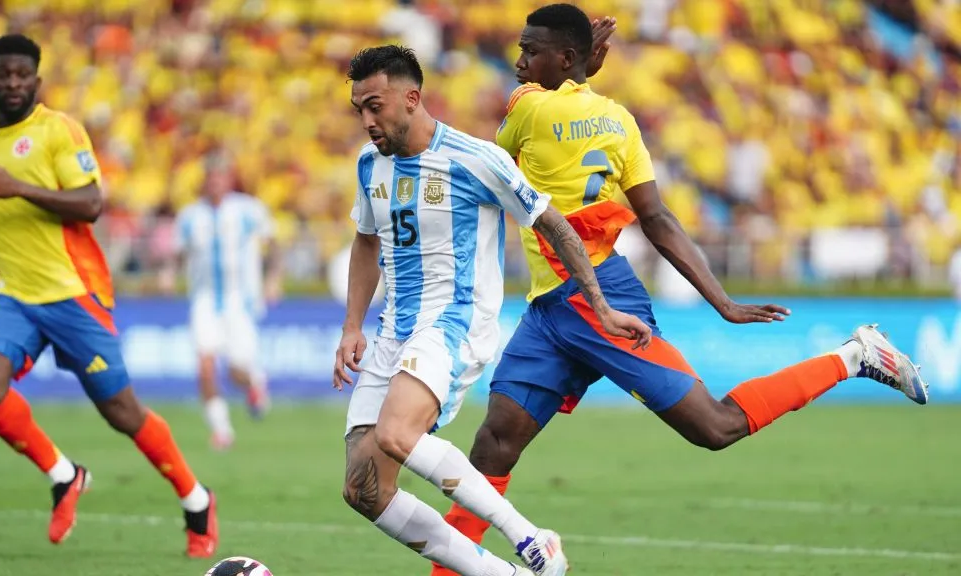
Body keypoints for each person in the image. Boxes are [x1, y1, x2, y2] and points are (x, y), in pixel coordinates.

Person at [431, 6, 930, 575]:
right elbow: (657, 216)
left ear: (566, 58)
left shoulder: (525, 105)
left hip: (597, 303)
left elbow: (525, 143)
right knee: (493, 445)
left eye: (530, 50)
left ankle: (855, 356)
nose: (518, 63)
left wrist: (576, 75)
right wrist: (721, 300)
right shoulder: (620, 121)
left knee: (715, 427)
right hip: (554, 309)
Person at [333, 45, 652, 576]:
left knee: (396, 434)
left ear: (411, 99)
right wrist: (351, 327)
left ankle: (528, 538)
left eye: (374, 106)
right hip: (394, 330)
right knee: (364, 488)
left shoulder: (474, 158)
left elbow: (553, 223)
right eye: (358, 109)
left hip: (453, 320)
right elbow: (367, 242)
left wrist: (600, 305)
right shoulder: (371, 167)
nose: (367, 120)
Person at [0, 34, 218, 558]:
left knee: (121, 411)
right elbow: (5, 222)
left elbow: (91, 203)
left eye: (22, 75)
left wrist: (21, 188)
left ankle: (195, 499)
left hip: (72, 293)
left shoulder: (60, 130)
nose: (13, 83)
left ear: (36, 80)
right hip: (16, 295)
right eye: (4, 75)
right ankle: (64, 475)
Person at [166, 154, 279, 450]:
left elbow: (274, 242)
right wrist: (168, 274)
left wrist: (273, 278)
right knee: (204, 363)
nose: (215, 182)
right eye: (211, 177)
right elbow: (179, 253)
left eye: (221, 177)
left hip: (239, 301)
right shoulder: (190, 216)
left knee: (236, 368)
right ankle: (222, 430)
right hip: (203, 300)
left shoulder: (248, 210)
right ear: (205, 181)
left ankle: (254, 384)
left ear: (228, 179)